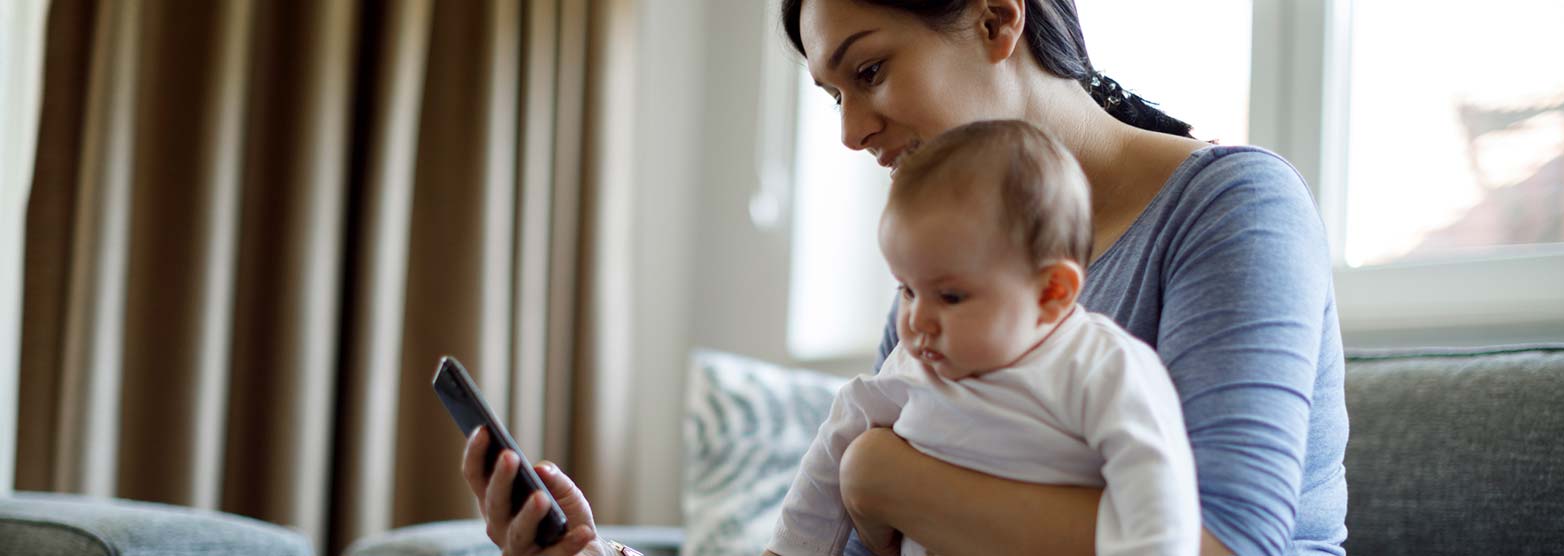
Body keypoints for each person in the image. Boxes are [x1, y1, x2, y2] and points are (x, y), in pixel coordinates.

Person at [461, 0, 1348, 554]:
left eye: (871, 71)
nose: (851, 132)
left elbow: (1224, 544)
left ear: (1001, 20)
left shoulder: (1231, 208)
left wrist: (883, 476)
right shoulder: (939, 292)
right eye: (833, 94)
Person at [766, 120, 1198, 556]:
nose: (917, 320)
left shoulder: (1101, 366)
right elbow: (832, 450)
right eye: (907, 290)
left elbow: (1156, 499)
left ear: (1052, 293)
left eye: (950, 296)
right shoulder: (914, 363)